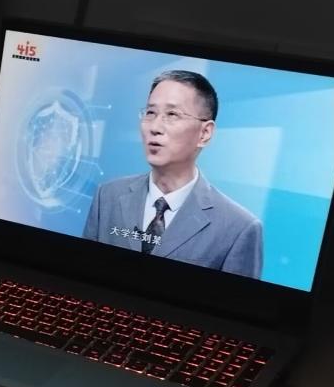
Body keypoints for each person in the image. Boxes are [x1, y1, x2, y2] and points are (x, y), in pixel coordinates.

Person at [82, 70, 263, 279]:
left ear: (204, 133)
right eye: (150, 112)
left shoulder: (239, 228)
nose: (155, 127)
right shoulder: (108, 195)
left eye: (172, 115)